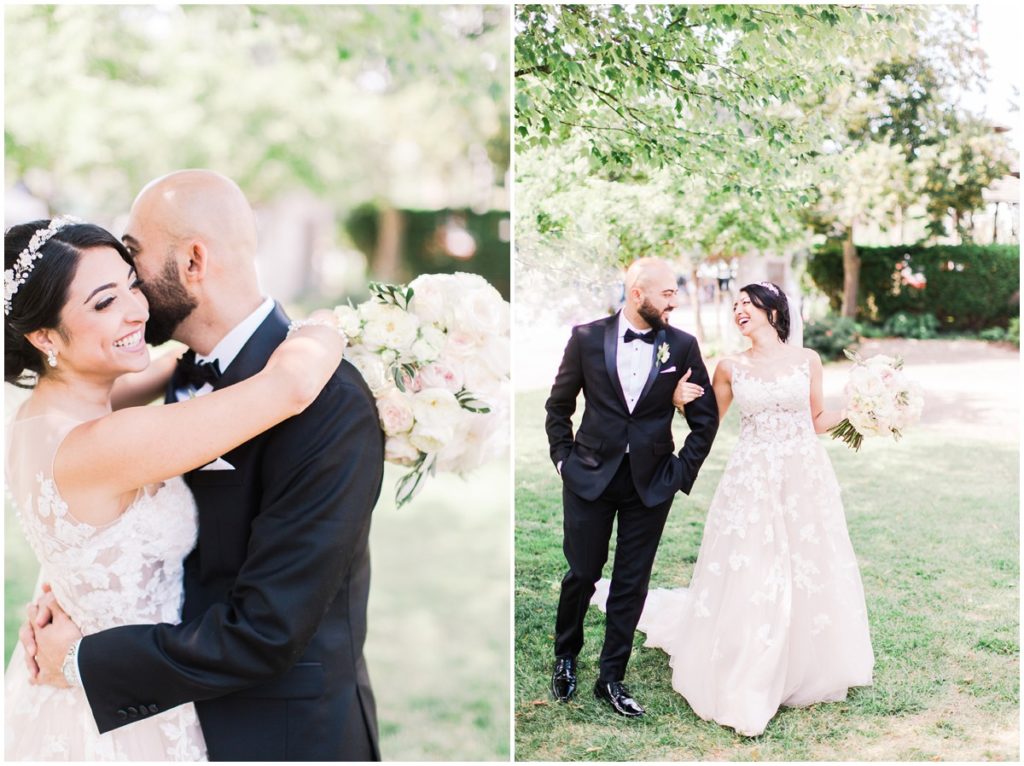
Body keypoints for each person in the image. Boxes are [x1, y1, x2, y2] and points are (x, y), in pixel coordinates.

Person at [15, 170, 385, 761]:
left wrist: (81, 652)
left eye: (132, 266)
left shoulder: (329, 403)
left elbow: (268, 630)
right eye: (109, 296)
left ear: (193, 261)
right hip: (144, 716)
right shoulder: (160, 395)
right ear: (45, 335)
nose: (134, 296)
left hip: (281, 735)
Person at [594, 281, 874, 736]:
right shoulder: (728, 367)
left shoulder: (808, 360)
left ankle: (803, 659)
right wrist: (677, 401)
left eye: (748, 303)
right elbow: (708, 419)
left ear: (773, 311)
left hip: (804, 476)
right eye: (736, 305)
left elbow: (817, 418)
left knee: (806, 564)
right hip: (752, 478)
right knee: (755, 567)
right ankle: (752, 664)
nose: (739, 310)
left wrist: (865, 413)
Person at [544, 257, 719, 717]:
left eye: (676, 294)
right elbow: (558, 405)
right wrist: (563, 460)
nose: (674, 302)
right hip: (588, 474)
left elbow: (706, 419)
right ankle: (566, 656)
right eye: (667, 294)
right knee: (582, 571)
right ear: (637, 293)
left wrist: (682, 470)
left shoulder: (682, 346)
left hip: (652, 481)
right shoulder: (586, 338)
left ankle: (611, 677)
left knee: (631, 581)